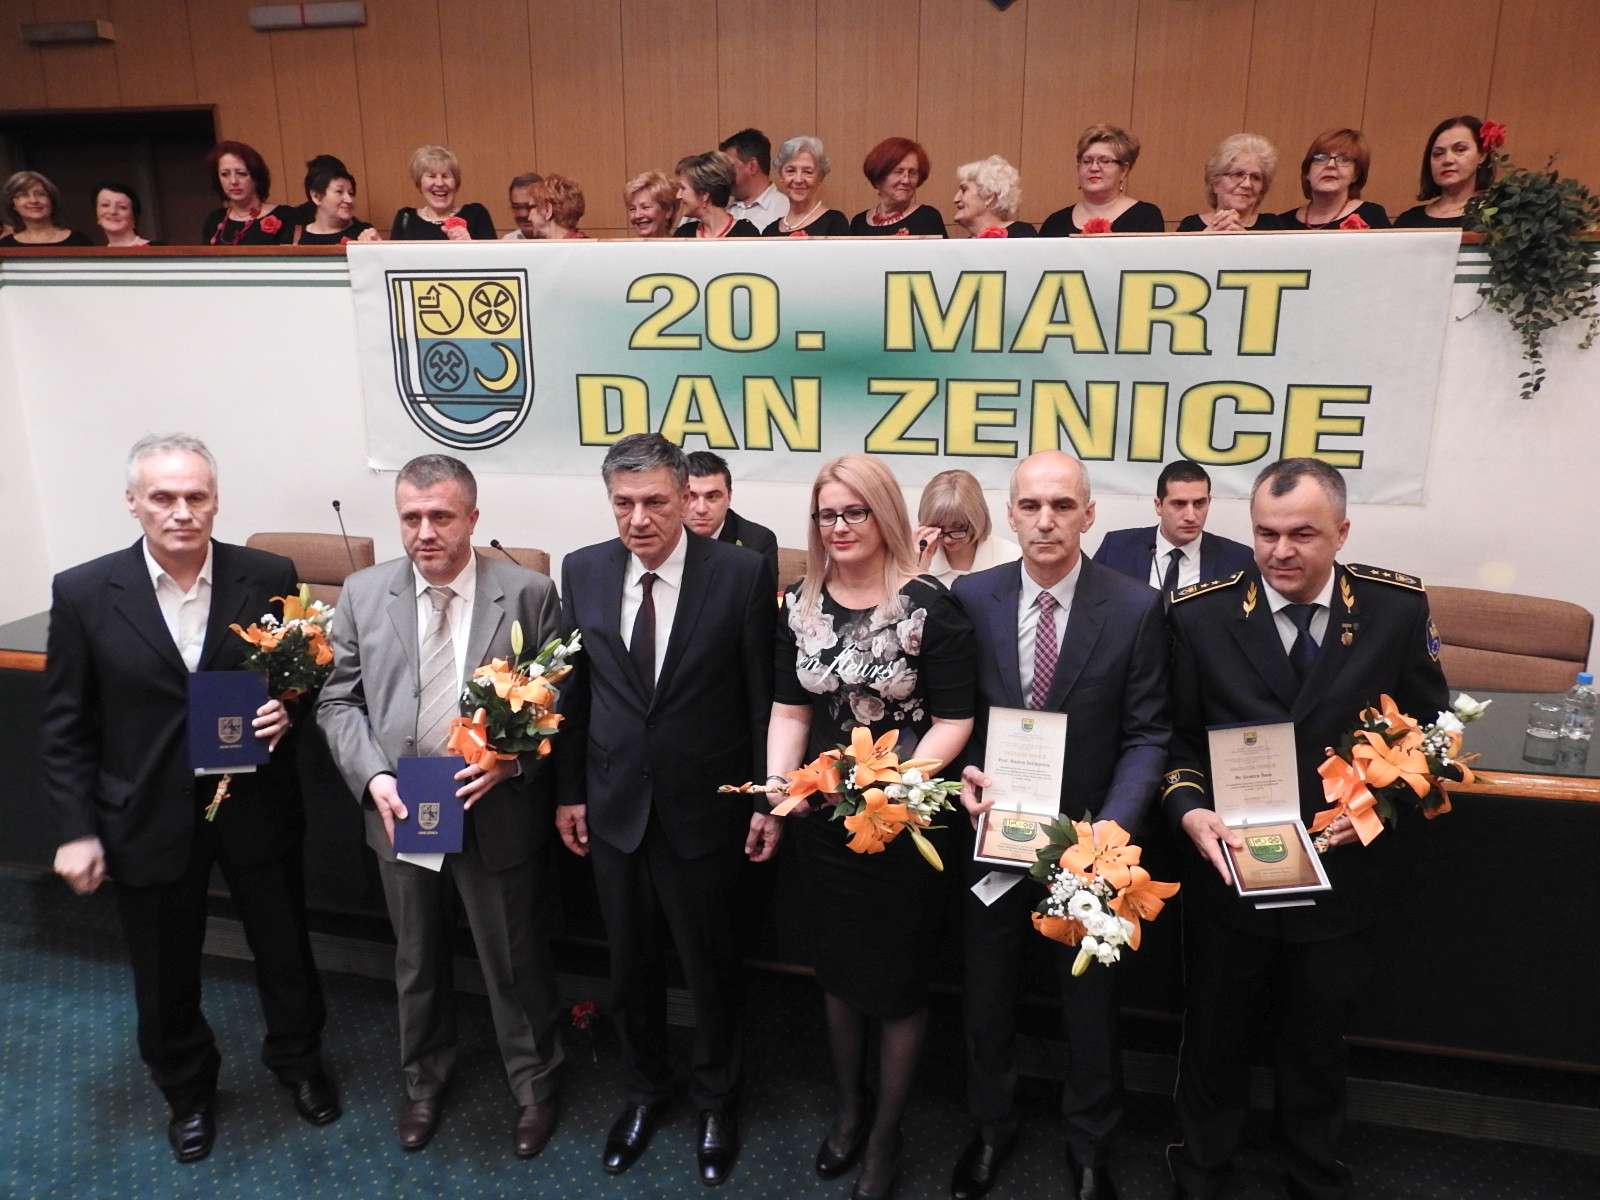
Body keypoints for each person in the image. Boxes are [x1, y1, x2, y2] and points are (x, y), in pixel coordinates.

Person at [41, 434, 336, 1163]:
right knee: (164, 965)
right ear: (133, 503)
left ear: (215, 501)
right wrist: (77, 829)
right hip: (147, 808)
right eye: (164, 497)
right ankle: (187, 1090)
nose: (182, 512)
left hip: (254, 801)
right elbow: (65, 724)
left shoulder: (268, 575)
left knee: (284, 947)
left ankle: (299, 1062)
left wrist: (287, 711)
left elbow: (301, 677)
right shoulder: (84, 592)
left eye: (196, 497)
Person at [1162, 458, 1448, 1199]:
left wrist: (1378, 806)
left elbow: (1431, 734)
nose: (1280, 551)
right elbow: (1175, 739)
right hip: (1231, 865)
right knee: (1215, 1033)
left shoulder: (1393, 610)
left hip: (1339, 871)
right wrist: (1190, 810)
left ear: (1342, 532)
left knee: (1318, 1038)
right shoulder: (1199, 614)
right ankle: (1202, 1167)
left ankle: (1313, 1170)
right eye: (1265, 533)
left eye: (1302, 534)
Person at [317, 455, 565, 1158]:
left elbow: (559, 700)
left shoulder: (528, 593)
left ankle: (535, 1086)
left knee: (511, 959)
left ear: (473, 518)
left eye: (441, 516)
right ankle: (423, 1082)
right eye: (411, 517)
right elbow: (338, 701)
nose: (425, 532)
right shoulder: (364, 593)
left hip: (492, 807)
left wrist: (511, 760)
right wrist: (372, 777)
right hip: (402, 805)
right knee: (417, 957)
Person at [554, 434, 778, 1186]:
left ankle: (717, 1099)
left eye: (654, 501)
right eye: (624, 503)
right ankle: (645, 1089)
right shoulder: (583, 569)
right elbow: (574, 692)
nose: (639, 519)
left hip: (704, 808)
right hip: (614, 802)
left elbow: (759, 700)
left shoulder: (740, 573)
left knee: (710, 966)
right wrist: (569, 792)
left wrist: (765, 798)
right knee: (630, 966)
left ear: (686, 498)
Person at [949, 451, 1169, 1200]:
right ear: (1010, 515)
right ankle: (991, 1128)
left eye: (1063, 505)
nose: (1046, 521)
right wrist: (963, 774)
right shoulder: (971, 597)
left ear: (1089, 514)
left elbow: (1148, 734)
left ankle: (1091, 1145)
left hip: (1091, 850)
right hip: (993, 837)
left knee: (1091, 1009)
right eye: (1031, 506)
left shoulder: (1135, 607)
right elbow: (951, 714)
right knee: (987, 999)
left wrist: (1109, 836)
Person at [768, 455, 976, 1200]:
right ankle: (850, 1110)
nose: (840, 526)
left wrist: (892, 787)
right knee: (838, 973)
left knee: (896, 985)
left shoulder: (930, 607)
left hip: (904, 823)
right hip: (826, 824)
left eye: (854, 511)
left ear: (884, 514)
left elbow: (955, 720)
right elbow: (791, 710)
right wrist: (779, 789)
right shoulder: (799, 602)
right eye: (828, 514)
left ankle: (886, 1135)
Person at [1093, 460, 1254, 599]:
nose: (1191, 516)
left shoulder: (1238, 559)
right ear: (1159, 505)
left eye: (1199, 503)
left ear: (1209, 502)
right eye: (1179, 504)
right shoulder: (1116, 548)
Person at [1040, 125, 1164, 236]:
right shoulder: (1055, 222)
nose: (1094, 168)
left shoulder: (1145, 216)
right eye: (1087, 161)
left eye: (1105, 161)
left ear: (1124, 170)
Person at [914, 468, 1021, 585]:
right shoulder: (916, 559)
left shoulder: (1012, 558)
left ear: (976, 519)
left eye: (958, 527)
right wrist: (917, 571)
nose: (948, 539)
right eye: (938, 526)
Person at [684, 450, 781, 579]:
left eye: (712, 497)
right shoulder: (664, 536)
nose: (701, 509)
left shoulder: (757, 542)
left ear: (729, 497)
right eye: (691, 496)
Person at [1396, 115, 1497, 228]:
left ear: (1482, 155)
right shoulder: (1408, 221)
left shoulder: (1499, 214)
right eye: (1438, 154)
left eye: (1460, 150)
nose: (1447, 160)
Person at [1279, 129, 1390, 230]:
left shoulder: (1372, 215)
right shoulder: (1281, 223)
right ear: (1307, 172)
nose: (1330, 165)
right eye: (1321, 158)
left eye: (1344, 159)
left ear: (1355, 175)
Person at [389, 145, 496, 241]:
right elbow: (392, 257)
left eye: (445, 176)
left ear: (456, 183)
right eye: (432, 176)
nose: (440, 183)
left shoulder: (476, 214)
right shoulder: (405, 217)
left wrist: (470, 244)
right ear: (419, 183)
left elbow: (494, 256)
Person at [1177, 134, 1282, 232]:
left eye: (1256, 177)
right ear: (1215, 182)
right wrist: (1205, 238)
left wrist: (1246, 240)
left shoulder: (1274, 226)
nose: (1247, 184)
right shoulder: (1190, 226)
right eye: (1238, 174)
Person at [849, 137, 947, 236]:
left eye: (912, 173)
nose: (906, 180)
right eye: (898, 172)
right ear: (879, 175)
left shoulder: (928, 218)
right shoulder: (858, 223)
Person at [200, 141, 289, 245]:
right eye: (225, 174)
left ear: (256, 177)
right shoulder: (214, 220)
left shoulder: (285, 216)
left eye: (241, 173)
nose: (233, 181)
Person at [763, 135, 850, 237]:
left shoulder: (834, 223)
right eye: (791, 171)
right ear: (781, 176)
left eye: (807, 172)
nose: (798, 180)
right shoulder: (769, 232)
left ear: (820, 177)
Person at [291, 159, 379, 245]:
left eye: (351, 193)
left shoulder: (365, 234)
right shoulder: (297, 235)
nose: (349, 200)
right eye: (339, 192)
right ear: (316, 197)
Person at [673, 152, 761, 238]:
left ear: (704, 195)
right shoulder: (683, 234)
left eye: (683, 188)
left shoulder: (745, 234)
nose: (678, 195)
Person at [720, 127, 790, 231]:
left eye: (729, 167)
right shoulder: (720, 208)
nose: (724, 173)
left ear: (752, 166)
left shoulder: (785, 209)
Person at [0, 170, 94, 246]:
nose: (33, 200)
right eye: (24, 195)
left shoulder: (79, 241)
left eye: (41, 194)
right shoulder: (4, 246)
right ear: (12, 204)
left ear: (52, 200)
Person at [952, 156, 1035, 238]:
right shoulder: (966, 244)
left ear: (989, 197)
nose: (955, 199)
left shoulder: (1022, 235)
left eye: (964, 190)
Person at [522, 174, 590, 239]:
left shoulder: (576, 246)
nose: (529, 218)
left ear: (548, 210)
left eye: (532, 207)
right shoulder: (583, 244)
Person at [94, 180, 153, 247]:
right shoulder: (94, 253)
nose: (113, 211)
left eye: (122, 207)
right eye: (105, 205)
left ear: (134, 217)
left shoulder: (157, 249)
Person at [623, 170, 679, 237]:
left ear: (668, 211)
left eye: (645, 207)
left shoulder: (685, 243)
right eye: (632, 209)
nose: (637, 215)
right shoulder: (624, 244)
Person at [505, 171, 544, 239]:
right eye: (517, 207)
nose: (523, 214)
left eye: (531, 206)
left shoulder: (561, 241)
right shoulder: (508, 241)